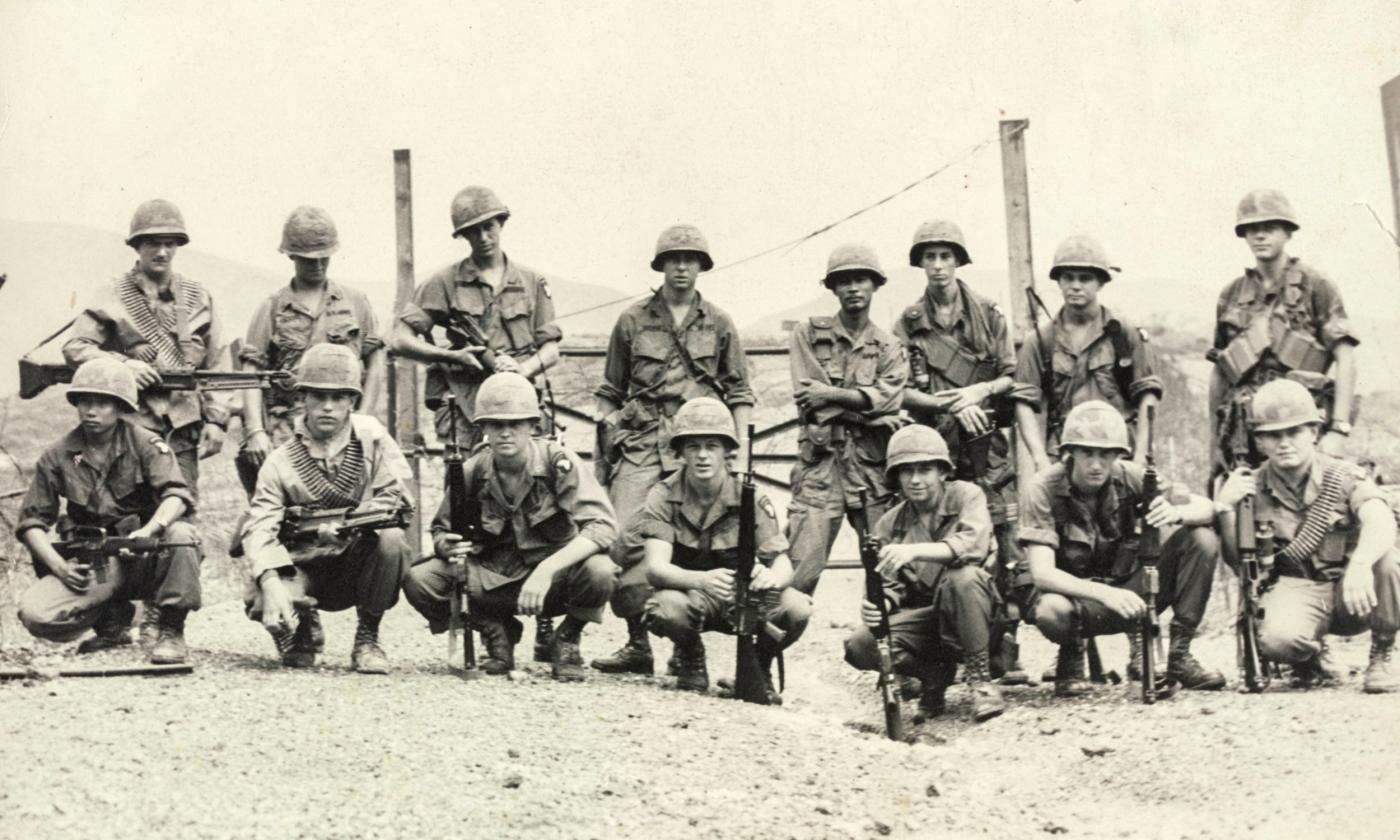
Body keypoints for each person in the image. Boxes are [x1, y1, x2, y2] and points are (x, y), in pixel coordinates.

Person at [390, 185, 563, 659]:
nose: (483, 237)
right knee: (470, 519)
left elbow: (551, 346)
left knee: (537, 511)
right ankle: (491, 621)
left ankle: (546, 616)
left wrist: (520, 372)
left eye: (489, 226)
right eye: (472, 231)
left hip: (522, 414)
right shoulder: (443, 283)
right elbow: (399, 338)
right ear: (462, 236)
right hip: (467, 415)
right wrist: (451, 355)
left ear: (502, 224)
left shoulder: (530, 281)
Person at [62, 198, 231, 648]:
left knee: (178, 521)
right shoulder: (113, 295)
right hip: (129, 429)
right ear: (137, 246)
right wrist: (121, 365)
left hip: (182, 428)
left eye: (170, 243)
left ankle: (166, 622)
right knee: (117, 519)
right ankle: (114, 620)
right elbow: (76, 348)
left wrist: (217, 420)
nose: (161, 252)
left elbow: (218, 365)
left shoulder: (198, 297)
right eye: (153, 243)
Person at [590, 224, 755, 676]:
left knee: (695, 542)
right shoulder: (632, 320)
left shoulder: (719, 323)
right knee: (627, 541)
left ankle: (686, 643)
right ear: (660, 265)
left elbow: (739, 392)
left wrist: (736, 451)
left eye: (691, 259)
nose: (682, 267)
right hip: (642, 441)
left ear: (702, 266)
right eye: (674, 259)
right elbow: (610, 389)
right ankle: (637, 643)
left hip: (700, 443)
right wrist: (605, 439)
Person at [1010, 234, 1164, 679]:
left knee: (1134, 549)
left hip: (1117, 459)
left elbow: (1147, 396)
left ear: (1101, 282)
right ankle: (1072, 645)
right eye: (1068, 278)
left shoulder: (1124, 334)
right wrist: (1040, 457)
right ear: (1058, 282)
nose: (1076, 286)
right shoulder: (1041, 338)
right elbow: (1026, 399)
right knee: (1066, 555)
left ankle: (1144, 643)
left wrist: (1139, 458)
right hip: (1071, 460)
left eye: (1086, 278)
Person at [403, 372, 617, 681]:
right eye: (496, 425)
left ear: (533, 426)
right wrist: (446, 545)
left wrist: (547, 570)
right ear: (484, 428)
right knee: (420, 580)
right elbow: (440, 529)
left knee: (601, 571)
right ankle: (495, 629)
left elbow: (603, 526)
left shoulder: (559, 464)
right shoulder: (472, 471)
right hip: (494, 577)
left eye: (515, 424)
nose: (505, 433)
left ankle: (567, 638)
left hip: (553, 581)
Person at [895, 219, 1030, 684]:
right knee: (941, 543)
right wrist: (947, 405)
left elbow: (1011, 376)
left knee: (1007, 541)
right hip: (937, 447)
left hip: (985, 443)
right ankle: (932, 647)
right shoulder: (910, 323)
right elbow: (897, 388)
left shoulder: (988, 314)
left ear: (958, 261)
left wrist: (977, 394)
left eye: (945, 256)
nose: (937, 267)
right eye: (929, 258)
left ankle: (1004, 645)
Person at [1019, 401, 1225, 696]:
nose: (1096, 464)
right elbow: (1042, 574)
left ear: (1117, 455)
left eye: (1105, 454)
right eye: (1087, 453)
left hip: (1129, 591)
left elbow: (1207, 509)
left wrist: (1176, 513)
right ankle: (1072, 650)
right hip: (1079, 600)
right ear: (1070, 452)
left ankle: (1178, 656)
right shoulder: (1042, 488)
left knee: (1201, 539)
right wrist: (1106, 593)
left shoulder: (1131, 476)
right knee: (1052, 610)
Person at [1214, 378, 1398, 693]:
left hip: (1350, 593)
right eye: (1273, 435)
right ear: (1260, 441)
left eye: (1294, 432)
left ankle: (1381, 654)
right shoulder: (1249, 487)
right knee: (1278, 641)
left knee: (1388, 560)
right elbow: (1238, 564)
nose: (1284, 443)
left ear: (1314, 433)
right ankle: (1308, 656)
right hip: (1295, 590)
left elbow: (1380, 517)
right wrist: (1225, 509)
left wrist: (1360, 563)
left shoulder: (1342, 475)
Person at [241, 344, 414, 674]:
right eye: (318, 396)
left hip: (352, 561)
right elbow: (259, 527)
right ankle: (301, 630)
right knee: (266, 597)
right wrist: (269, 581)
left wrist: (353, 524)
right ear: (303, 398)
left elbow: (398, 498)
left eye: (339, 397)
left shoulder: (373, 441)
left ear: (352, 401)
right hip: (303, 563)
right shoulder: (280, 462)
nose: (328, 407)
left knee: (391, 540)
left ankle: (367, 638)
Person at [15, 358, 201, 664]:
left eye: (102, 403)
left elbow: (178, 495)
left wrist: (151, 529)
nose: (90, 411)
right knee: (35, 614)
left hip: (144, 557)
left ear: (120, 406)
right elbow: (31, 522)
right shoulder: (58, 456)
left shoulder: (145, 443)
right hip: (98, 563)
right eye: (84, 402)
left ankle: (171, 628)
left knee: (181, 536)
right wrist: (60, 567)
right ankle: (111, 618)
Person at [635, 397, 809, 701]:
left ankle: (759, 667)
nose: (703, 456)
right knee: (664, 609)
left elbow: (783, 564)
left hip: (739, 596)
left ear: (726, 452)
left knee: (797, 608)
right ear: (681, 453)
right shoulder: (662, 495)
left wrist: (769, 578)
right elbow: (655, 568)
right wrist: (701, 580)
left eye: (712, 446)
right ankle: (690, 655)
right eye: (693, 447)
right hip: (692, 595)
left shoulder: (750, 497)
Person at [843, 424, 1006, 721]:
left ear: (943, 472)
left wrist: (914, 550)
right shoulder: (890, 523)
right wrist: (879, 605)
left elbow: (972, 546)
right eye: (907, 471)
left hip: (975, 617)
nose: (916, 480)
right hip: (928, 621)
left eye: (925, 470)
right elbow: (888, 585)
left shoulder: (967, 496)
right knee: (861, 644)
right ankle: (934, 675)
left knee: (964, 578)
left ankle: (981, 681)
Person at [784, 242, 907, 597]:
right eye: (844, 281)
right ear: (833, 288)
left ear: (875, 285)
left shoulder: (889, 347)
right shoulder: (808, 334)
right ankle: (768, 649)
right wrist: (868, 417)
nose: (853, 288)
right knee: (798, 574)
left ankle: (883, 649)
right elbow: (811, 401)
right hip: (820, 470)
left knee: (888, 575)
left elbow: (889, 399)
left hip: (871, 473)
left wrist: (833, 395)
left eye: (861, 279)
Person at [237, 206, 385, 495]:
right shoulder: (272, 307)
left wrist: (363, 420)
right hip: (288, 428)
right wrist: (255, 431)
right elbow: (251, 374)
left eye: (323, 257)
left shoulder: (356, 302)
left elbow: (376, 361)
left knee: (351, 507)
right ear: (291, 255)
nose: (317, 265)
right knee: (277, 508)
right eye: (308, 259)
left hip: (344, 423)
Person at [1209, 190, 1358, 478]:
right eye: (1252, 229)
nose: (1260, 236)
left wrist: (1339, 428)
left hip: (1298, 429)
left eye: (1269, 228)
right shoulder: (1231, 294)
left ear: (1288, 232)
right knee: (1242, 512)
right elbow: (1220, 371)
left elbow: (1346, 357)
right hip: (1244, 431)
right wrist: (1214, 444)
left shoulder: (1316, 286)